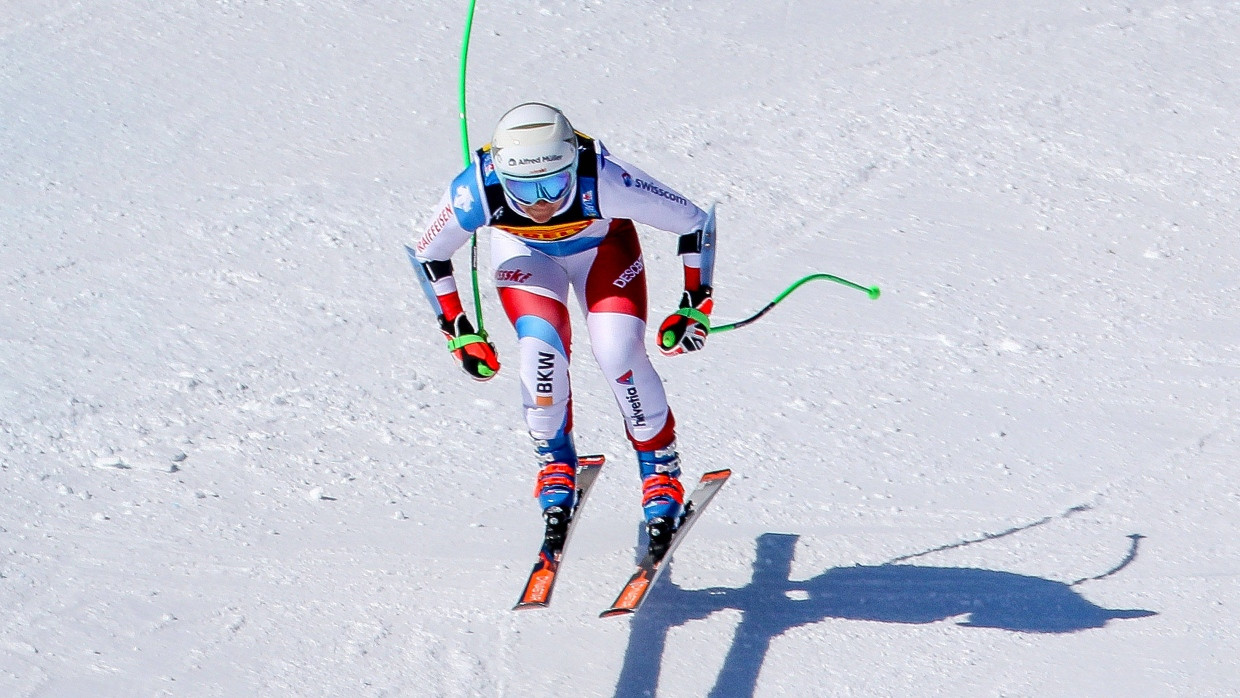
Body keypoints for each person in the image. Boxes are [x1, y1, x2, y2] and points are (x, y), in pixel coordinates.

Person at [409, 102, 715, 553]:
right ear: (499, 173)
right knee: (540, 346)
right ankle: (553, 460)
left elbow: (692, 222)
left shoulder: (605, 180)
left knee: (617, 352)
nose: (540, 205)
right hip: (526, 256)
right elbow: (428, 253)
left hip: (603, 252)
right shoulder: (475, 192)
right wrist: (458, 329)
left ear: (573, 165)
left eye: (554, 184)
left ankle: (659, 468)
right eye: (523, 190)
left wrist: (695, 302)